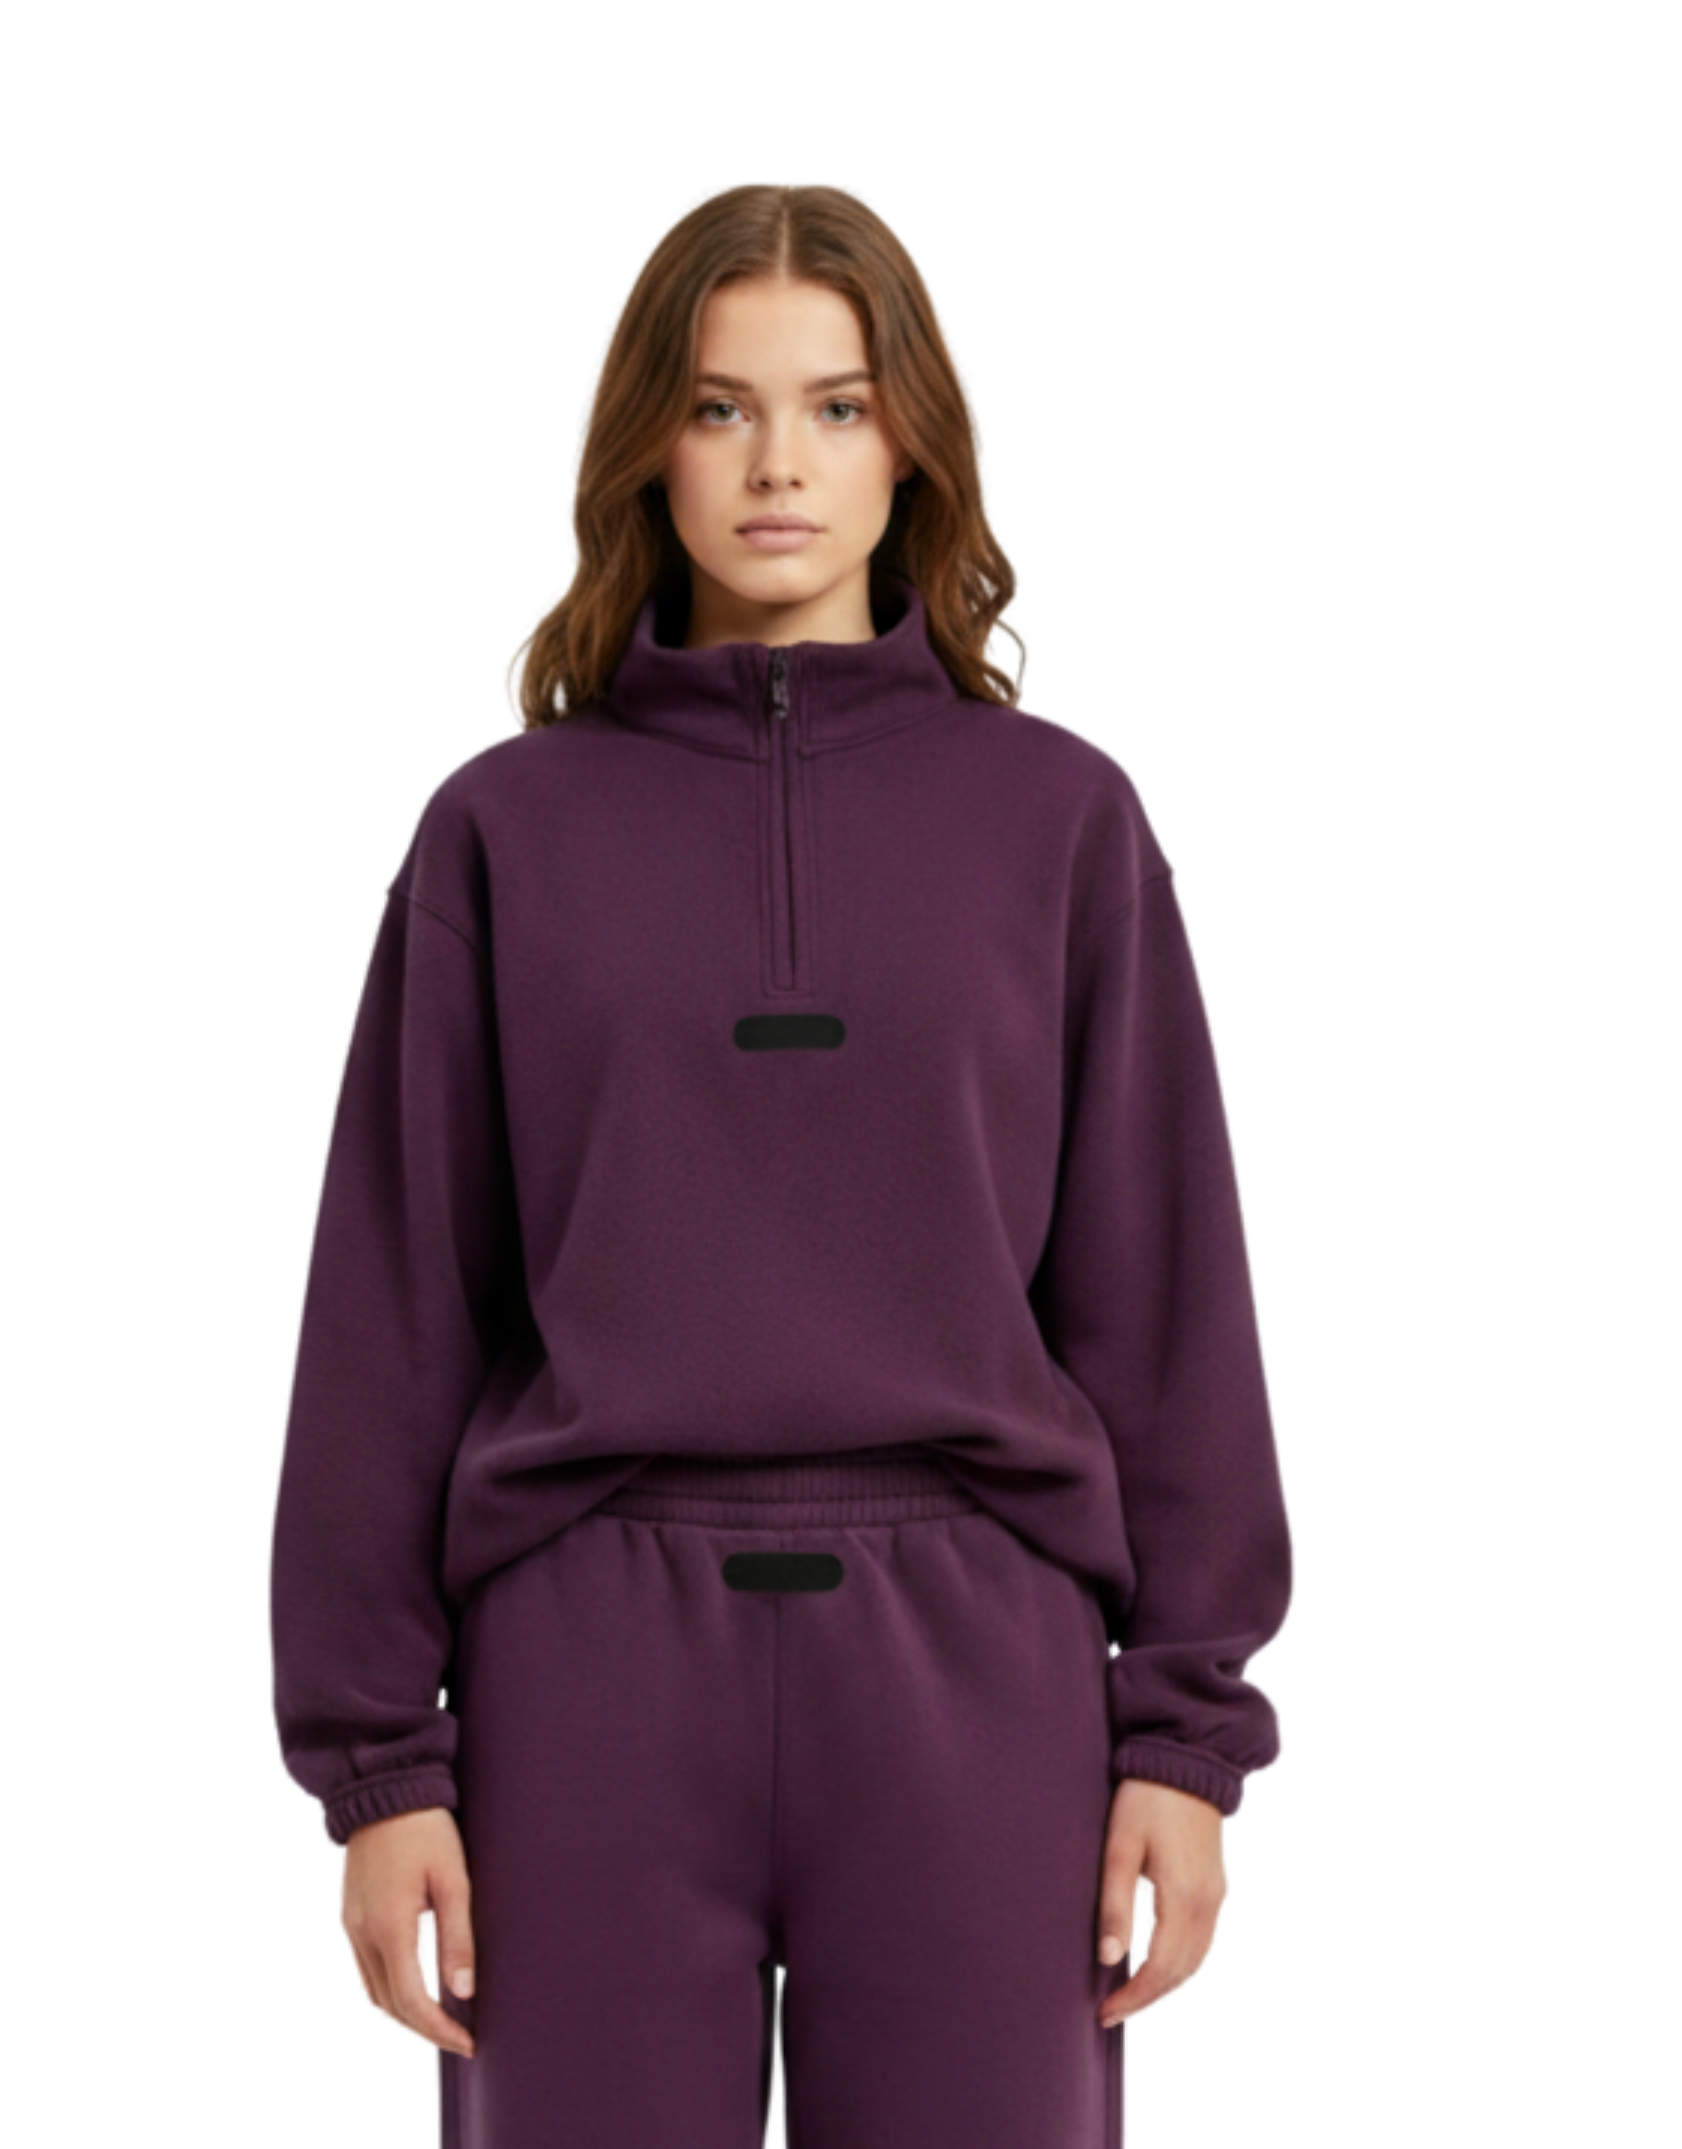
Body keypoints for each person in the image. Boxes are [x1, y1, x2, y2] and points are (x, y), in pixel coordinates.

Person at [268, 179, 1293, 2146]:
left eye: (834, 406)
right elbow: (391, 1317)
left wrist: (1189, 1740)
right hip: (583, 1668)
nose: (777, 468)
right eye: (721, 407)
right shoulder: (501, 833)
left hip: (978, 1670)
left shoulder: (1064, 822)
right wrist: (377, 1771)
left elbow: (1164, 1300)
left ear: (912, 444)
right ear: (646, 444)